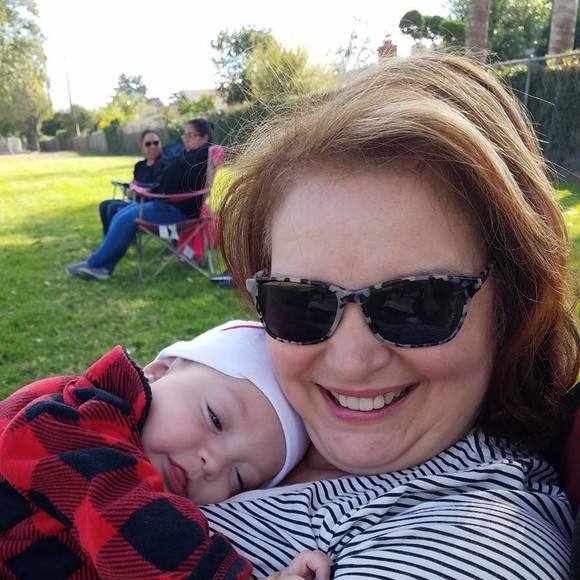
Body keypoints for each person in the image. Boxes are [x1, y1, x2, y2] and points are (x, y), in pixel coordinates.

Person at [199, 53, 580, 579]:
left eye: (417, 303)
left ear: (512, 305)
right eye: (301, 301)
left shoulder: (470, 548)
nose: (351, 362)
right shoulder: (230, 403)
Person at [0, 321, 327, 578]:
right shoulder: (74, 419)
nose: (213, 463)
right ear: (159, 372)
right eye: (215, 419)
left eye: (239, 476)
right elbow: (132, 521)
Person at [66, 118, 214, 281]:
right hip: (167, 203)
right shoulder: (190, 155)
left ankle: (97, 265)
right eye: (185, 135)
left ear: (204, 137)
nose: (185, 139)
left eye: (191, 135)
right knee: (120, 214)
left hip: (179, 211)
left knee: (126, 218)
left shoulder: (200, 157)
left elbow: (177, 181)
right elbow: (171, 180)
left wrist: (162, 184)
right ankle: (100, 265)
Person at [99, 128, 169, 235]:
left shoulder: (165, 165)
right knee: (104, 205)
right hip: (135, 201)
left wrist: (139, 191)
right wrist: (128, 191)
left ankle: (117, 241)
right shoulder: (139, 166)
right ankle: (108, 240)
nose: (153, 146)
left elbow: (158, 189)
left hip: (148, 205)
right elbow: (132, 185)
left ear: (160, 144)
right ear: (142, 147)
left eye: (156, 143)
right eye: (148, 144)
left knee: (112, 208)